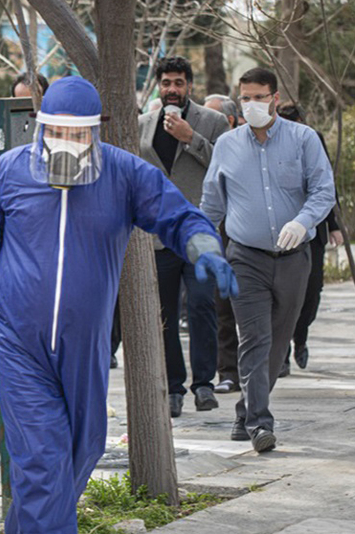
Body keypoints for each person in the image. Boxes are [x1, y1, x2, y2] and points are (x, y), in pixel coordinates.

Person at [0, 76, 237, 534]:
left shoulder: (124, 174)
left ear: (96, 130)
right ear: (41, 125)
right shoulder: (8, 173)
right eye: (57, 131)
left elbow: (177, 214)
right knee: (42, 458)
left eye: (78, 133)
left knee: (82, 448)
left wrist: (203, 245)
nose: (67, 142)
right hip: (17, 341)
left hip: (86, 343)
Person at [201, 68, 336, 452]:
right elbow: (212, 202)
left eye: (260, 97)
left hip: (294, 257)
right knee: (255, 338)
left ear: (274, 98)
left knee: (279, 341)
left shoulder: (303, 139)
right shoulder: (227, 145)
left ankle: (246, 409)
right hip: (245, 256)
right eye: (246, 97)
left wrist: (303, 221)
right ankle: (260, 423)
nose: (252, 105)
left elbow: (324, 191)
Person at [137, 57, 229, 417]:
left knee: (202, 304)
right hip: (158, 235)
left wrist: (191, 139)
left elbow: (225, 168)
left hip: (200, 230)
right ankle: (173, 387)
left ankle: (204, 383)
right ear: (158, 86)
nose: (172, 89)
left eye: (178, 82)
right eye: (166, 83)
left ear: (189, 85)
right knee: (164, 314)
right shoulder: (143, 124)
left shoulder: (213, 122)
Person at [276, 101, 343, 375]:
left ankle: (300, 336)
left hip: (312, 231)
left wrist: (334, 224)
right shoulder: (270, 142)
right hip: (281, 229)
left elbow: (325, 185)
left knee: (311, 292)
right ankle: (282, 354)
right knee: (282, 294)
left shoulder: (313, 139)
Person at [203, 94, 243, 394]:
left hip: (246, 235)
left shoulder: (242, 145)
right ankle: (227, 372)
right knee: (222, 305)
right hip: (214, 232)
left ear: (227, 120)